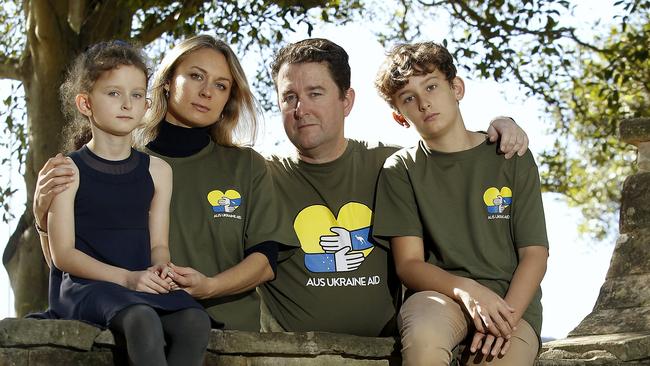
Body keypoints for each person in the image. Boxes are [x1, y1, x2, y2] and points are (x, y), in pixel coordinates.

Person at [258, 38, 531, 337]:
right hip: (289, 352)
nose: (301, 109)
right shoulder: (260, 175)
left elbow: (454, 153)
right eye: (289, 97)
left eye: (315, 93)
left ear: (346, 100)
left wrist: (503, 124)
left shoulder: (394, 165)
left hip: (388, 349)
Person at [33, 35, 296, 331]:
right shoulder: (123, 167)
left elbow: (264, 263)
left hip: (230, 336)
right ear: (168, 80)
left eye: (221, 85)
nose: (207, 92)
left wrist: (209, 286)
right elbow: (68, 267)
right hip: (138, 329)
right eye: (196, 76)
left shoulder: (246, 166)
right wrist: (43, 221)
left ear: (228, 99)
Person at [32, 40, 210, 366]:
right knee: (142, 319)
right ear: (86, 103)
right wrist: (128, 278)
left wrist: (161, 267)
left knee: (194, 321)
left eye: (137, 94)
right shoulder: (66, 170)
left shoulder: (159, 171)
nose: (127, 103)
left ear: (146, 104)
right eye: (113, 93)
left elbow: (158, 244)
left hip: (138, 283)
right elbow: (64, 255)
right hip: (86, 285)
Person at [372, 41, 549, 365]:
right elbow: (409, 265)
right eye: (409, 98)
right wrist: (468, 290)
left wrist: (504, 320)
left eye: (432, 86)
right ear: (400, 116)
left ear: (457, 88)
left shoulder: (510, 156)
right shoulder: (402, 169)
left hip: (511, 304)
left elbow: (535, 254)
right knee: (424, 340)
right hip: (438, 298)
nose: (424, 103)